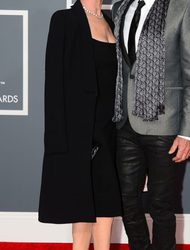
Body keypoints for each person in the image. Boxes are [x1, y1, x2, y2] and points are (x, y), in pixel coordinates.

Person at [112, 0, 190, 249]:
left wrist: (188, 134)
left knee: (160, 205)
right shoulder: (121, 7)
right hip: (125, 123)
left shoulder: (184, 7)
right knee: (126, 202)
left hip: (165, 124)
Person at [38, 0, 122, 249]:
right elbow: (53, 83)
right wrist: (57, 140)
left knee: (107, 202)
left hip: (110, 129)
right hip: (79, 131)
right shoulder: (64, 20)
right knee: (81, 206)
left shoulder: (111, 22)